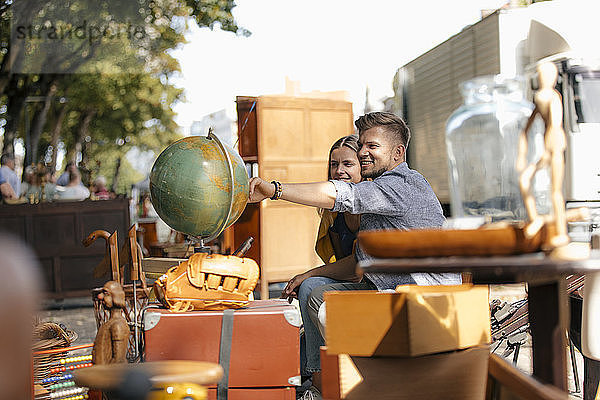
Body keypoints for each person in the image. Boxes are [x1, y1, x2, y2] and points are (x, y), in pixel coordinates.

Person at [249, 112, 461, 399]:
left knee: (330, 310)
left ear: (398, 152)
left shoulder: (401, 185)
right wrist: (307, 275)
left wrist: (274, 190)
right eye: (361, 145)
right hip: (384, 290)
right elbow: (360, 259)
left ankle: (365, 384)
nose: (363, 152)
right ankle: (320, 382)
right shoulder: (379, 192)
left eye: (372, 146)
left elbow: (341, 195)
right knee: (312, 291)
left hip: (420, 301)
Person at [298, 134, 361, 383]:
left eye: (347, 164)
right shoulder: (333, 211)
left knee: (309, 285)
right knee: (308, 287)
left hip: (374, 282)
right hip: (353, 282)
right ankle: (318, 376)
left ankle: (319, 378)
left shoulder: (369, 204)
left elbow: (357, 264)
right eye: (334, 165)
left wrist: (307, 276)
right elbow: (336, 261)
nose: (339, 171)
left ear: (362, 167)